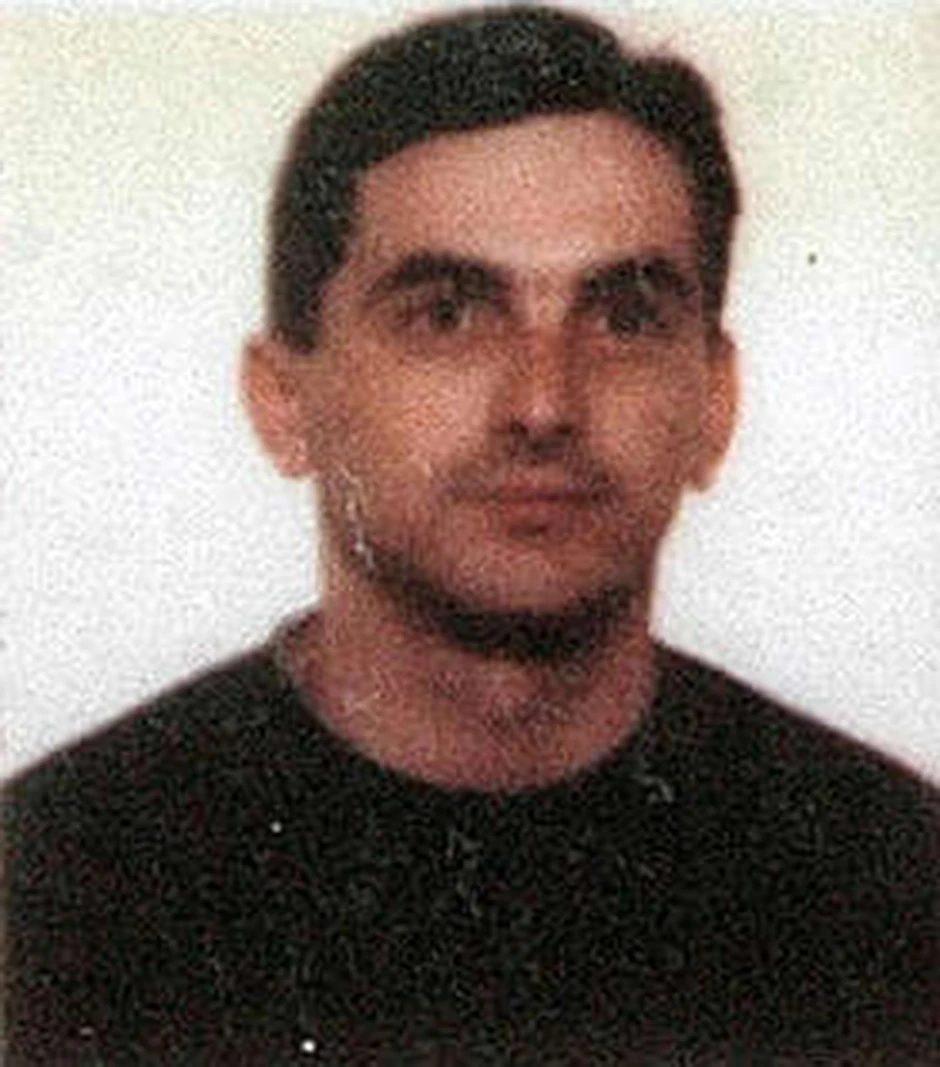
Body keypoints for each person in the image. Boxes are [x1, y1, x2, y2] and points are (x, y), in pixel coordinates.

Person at [5, 6, 937, 1064]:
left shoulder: (894, 885)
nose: (542, 404)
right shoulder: (52, 892)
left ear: (714, 405)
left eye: (624, 317)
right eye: (447, 313)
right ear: (285, 401)